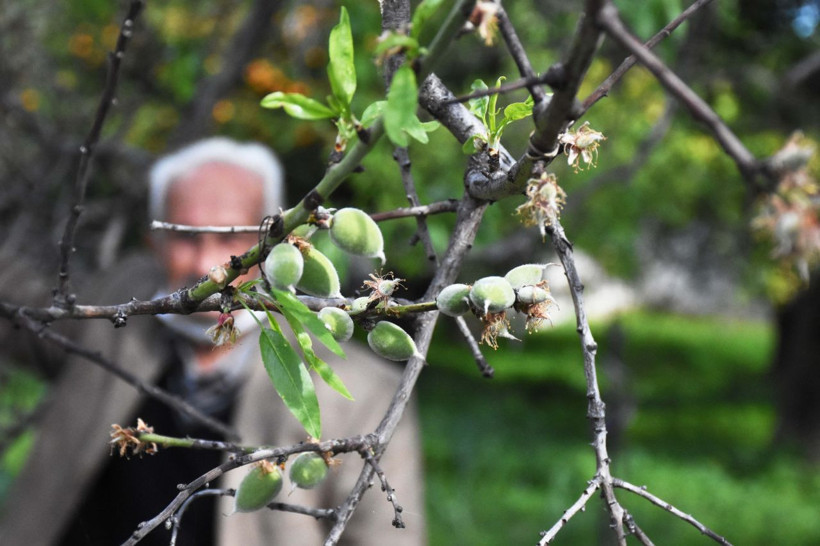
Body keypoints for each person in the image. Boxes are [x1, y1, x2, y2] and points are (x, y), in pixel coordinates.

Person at [0, 138, 426, 545]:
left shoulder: (361, 396)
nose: (207, 266)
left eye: (229, 238)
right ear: (155, 243)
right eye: (186, 237)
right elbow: (20, 312)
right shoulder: (120, 306)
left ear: (275, 243)